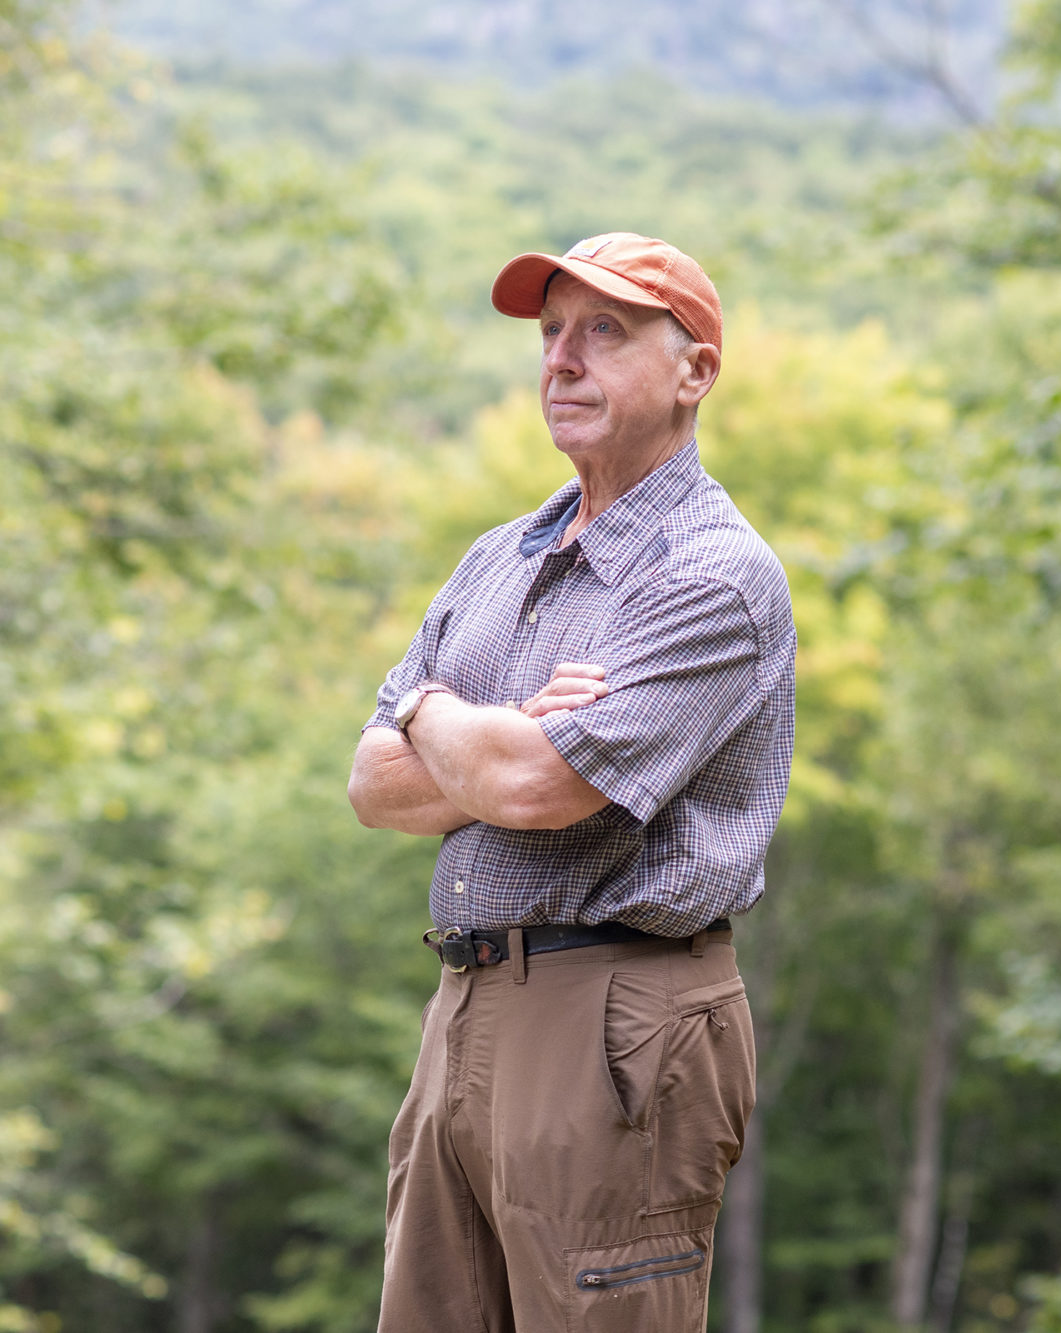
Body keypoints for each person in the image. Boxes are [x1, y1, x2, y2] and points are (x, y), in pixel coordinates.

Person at [347, 232, 797, 1331]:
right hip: (461, 1006)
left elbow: (538, 789)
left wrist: (433, 711)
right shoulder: (498, 556)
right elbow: (372, 787)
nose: (561, 359)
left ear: (693, 372)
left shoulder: (711, 576)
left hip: (615, 1017)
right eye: (550, 333)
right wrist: (480, 740)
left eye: (605, 330)